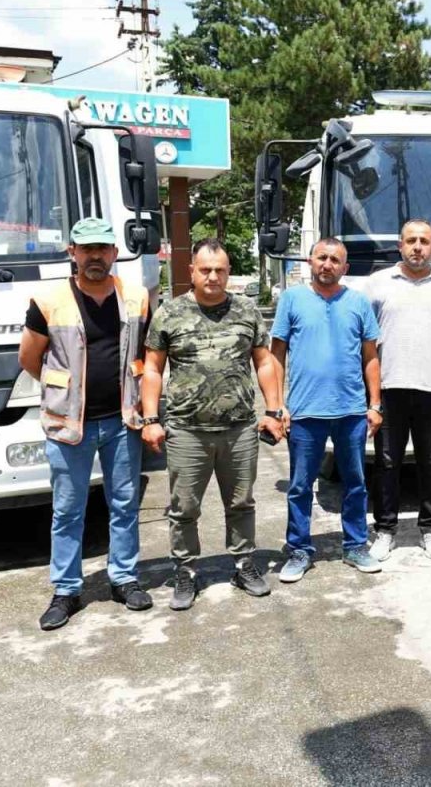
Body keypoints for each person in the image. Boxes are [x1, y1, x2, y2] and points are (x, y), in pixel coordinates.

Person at [19, 217, 152, 631]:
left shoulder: (137, 297)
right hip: (68, 425)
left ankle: (124, 578)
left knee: (125, 505)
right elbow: (29, 358)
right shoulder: (48, 299)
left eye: (102, 249)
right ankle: (66, 590)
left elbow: (148, 355)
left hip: (123, 420)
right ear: (72, 252)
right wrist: (64, 392)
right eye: (87, 249)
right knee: (68, 510)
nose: (95, 256)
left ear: (114, 252)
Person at [141, 238, 283, 611]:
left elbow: (264, 362)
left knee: (241, 503)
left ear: (229, 271)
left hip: (239, 429)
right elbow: (152, 368)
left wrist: (273, 410)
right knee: (184, 507)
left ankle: (243, 564)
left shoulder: (246, 310)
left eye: (220, 270)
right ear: (192, 271)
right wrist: (151, 418)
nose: (213, 277)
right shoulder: (170, 313)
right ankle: (185, 571)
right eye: (205, 269)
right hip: (186, 430)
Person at [271, 238, 383, 583]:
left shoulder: (358, 302)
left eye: (335, 260)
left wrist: (375, 404)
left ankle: (356, 545)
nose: (327, 264)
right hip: (305, 412)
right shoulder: (292, 299)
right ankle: (299, 550)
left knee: (356, 483)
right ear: (310, 261)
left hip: (351, 411)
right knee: (300, 487)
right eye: (322, 257)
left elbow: (370, 357)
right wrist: (277, 405)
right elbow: (276, 355)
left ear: (344, 268)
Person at [364, 220, 431, 561]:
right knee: (386, 463)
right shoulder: (378, 283)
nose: (417, 247)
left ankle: (430, 528)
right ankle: (385, 530)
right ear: (400, 245)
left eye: (424, 241)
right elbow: (366, 343)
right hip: (389, 388)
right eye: (411, 240)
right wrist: (371, 395)